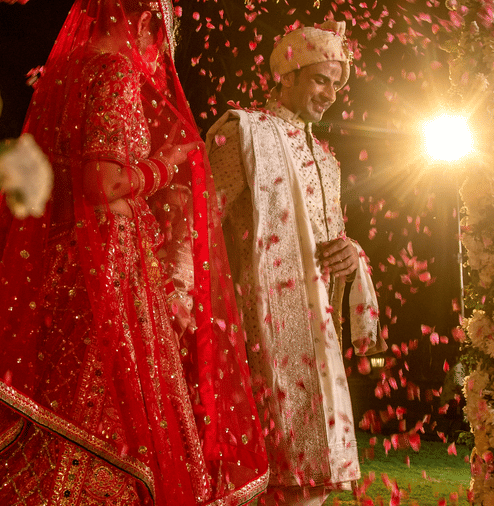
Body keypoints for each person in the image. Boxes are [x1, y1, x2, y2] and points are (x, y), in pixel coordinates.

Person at [0, 1, 269, 505]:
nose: (159, 50)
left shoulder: (70, 67)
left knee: (47, 403)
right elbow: (102, 181)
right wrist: (166, 165)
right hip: (102, 272)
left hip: (59, 265)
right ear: (146, 20)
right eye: (162, 31)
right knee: (105, 413)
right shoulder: (115, 69)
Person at [206, 21, 386, 506]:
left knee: (313, 481)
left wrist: (352, 255)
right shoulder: (241, 133)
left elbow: (331, 239)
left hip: (316, 337)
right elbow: (199, 226)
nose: (330, 94)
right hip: (253, 334)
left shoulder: (327, 159)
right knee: (258, 479)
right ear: (287, 74)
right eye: (320, 79)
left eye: (337, 83)